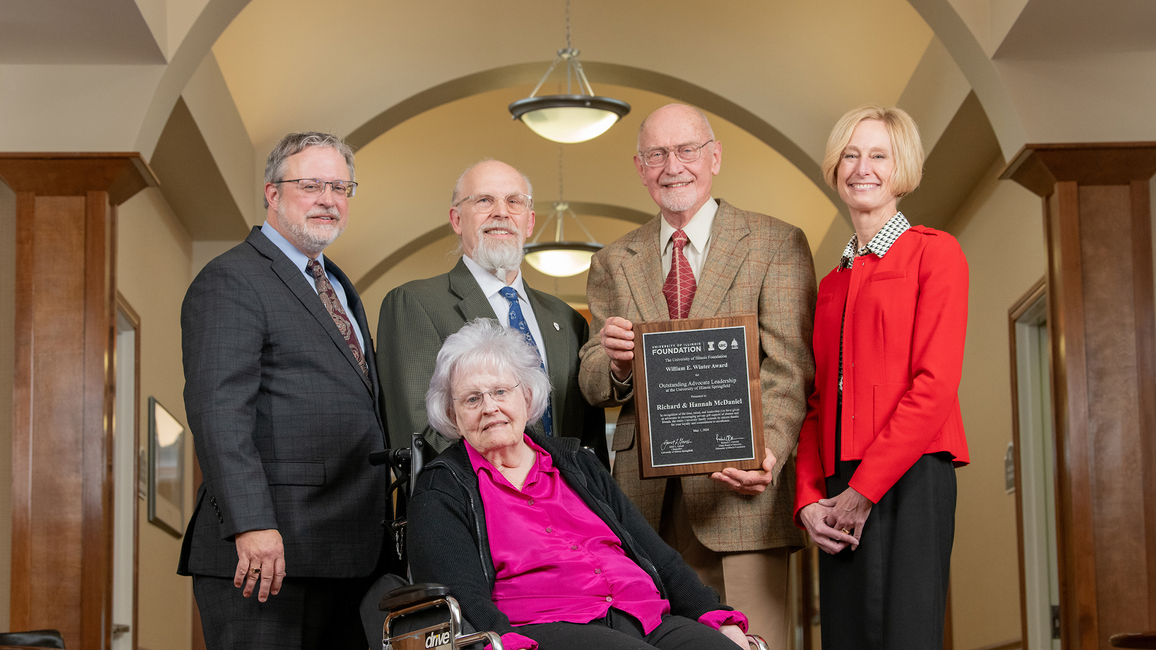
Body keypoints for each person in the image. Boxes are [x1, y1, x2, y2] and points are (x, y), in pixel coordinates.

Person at [578, 103, 815, 648]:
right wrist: (614, 362)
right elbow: (592, 380)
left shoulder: (776, 243)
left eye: (686, 150)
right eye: (657, 154)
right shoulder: (613, 260)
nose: (672, 166)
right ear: (640, 167)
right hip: (643, 506)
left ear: (714, 157)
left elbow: (789, 369)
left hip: (742, 492)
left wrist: (768, 452)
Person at [408, 319, 751, 650]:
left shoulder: (575, 462)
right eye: (472, 399)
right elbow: (458, 591)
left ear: (526, 398)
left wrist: (711, 612)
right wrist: (500, 639)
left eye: (500, 391)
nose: (490, 408)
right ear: (452, 415)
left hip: (645, 615)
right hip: (547, 627)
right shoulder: (443, 487)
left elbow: (656, 553)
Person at [178, 132, 387, 650]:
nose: (328, 198)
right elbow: (219, 412)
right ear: (272, 193)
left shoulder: (338, 285)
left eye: (340, 186)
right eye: (311, 184)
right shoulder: (232, 278)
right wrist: (252, 525)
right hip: (268, 553)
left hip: (346, 551)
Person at [793, 105, 970, 650]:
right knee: (846, 638)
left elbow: (934, 384)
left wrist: (863, 492)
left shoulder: (934, 252)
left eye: (878, 155)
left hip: (911, 477)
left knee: (906, 637)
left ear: (903, 169)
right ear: (835, 167)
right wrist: (807, 499)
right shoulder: (830, 283)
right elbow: (816, 402)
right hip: (840, 486)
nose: (861, 168)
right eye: (850, 154)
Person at [377, 159, 608, 467]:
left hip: (564, 506)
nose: (501, 212)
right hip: (473, 506)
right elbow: (420, 435)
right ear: (457, 219)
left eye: (514, 202)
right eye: (484, 200)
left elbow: (588, 441)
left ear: (529, 222)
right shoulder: (413, 304)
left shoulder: (568, 320)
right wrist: (510, 490)